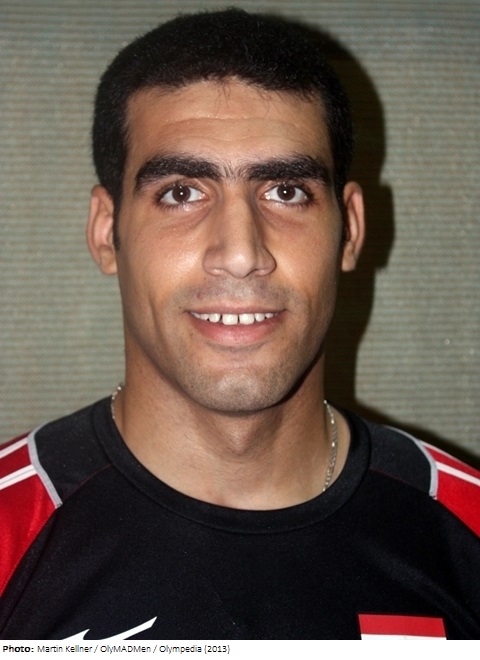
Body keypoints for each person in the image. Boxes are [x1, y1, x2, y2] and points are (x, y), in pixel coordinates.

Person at [0, 8, 479, 641]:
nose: (240, 252)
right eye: (180, 192)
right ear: (106, 231)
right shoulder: (12, 527)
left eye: (286, 191)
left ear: (351, 229)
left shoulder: (465, 531)